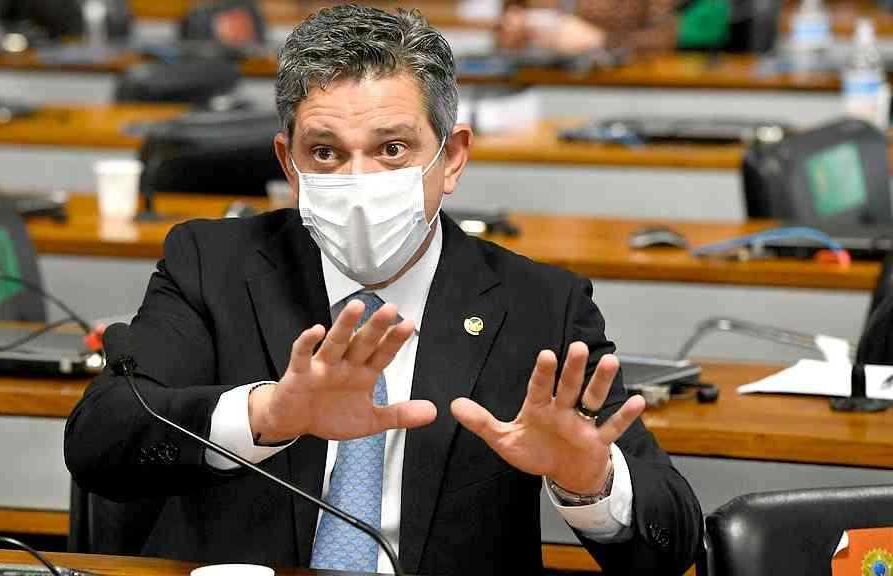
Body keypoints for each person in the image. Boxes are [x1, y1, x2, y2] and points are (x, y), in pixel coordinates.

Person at [64, 5, 702, 575]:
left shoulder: (538, 304)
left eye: (392, 149)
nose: (359, 181)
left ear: (452, 158)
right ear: (288, 164)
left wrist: (590, 480)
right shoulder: (213, 263)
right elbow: (99, 439)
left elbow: (670, 545)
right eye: (326, 153)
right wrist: (264, 415)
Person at [498, 0, 679, 54]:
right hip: (534, 81)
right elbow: (505, 20)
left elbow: (665, 37)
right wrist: (513, 26)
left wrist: (601, 39)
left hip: (611, 86)